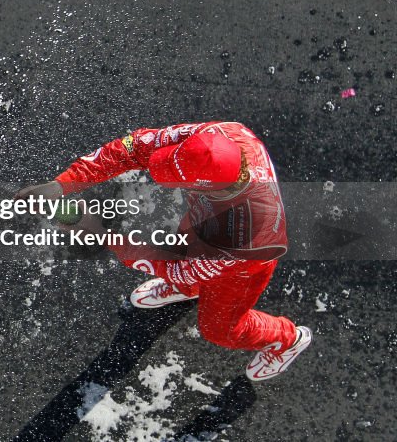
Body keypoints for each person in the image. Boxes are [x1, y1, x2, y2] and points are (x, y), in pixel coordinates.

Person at [17, 121, 311, 381]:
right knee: (184, 253)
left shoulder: (244, 236)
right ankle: (190, 288)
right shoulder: (219, 135)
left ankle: (288, 339)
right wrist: (62, 184)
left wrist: (98, 233)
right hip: (203, 221)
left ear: (205, 187)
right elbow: (131, 150)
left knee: (218, 330)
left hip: (244, 267)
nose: (159, 173)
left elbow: (174, 266)